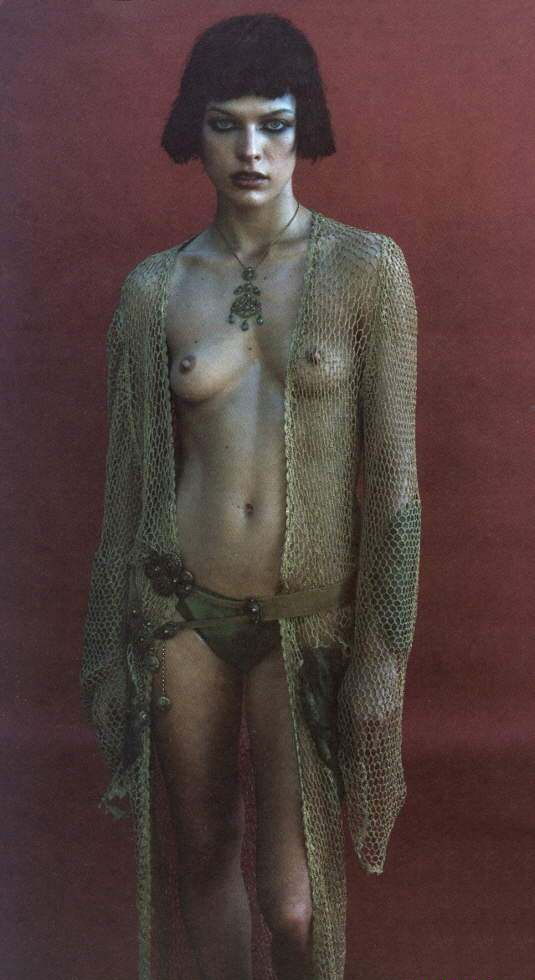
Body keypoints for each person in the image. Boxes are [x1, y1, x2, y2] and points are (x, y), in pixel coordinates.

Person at [81, 13, 422, 980]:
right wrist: (109, 638)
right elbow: (126, 490)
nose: (250, 151)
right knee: (199, 854)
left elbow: (395, 486)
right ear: (193, 131)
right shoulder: (153, 289)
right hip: (180, 612)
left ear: (303, 128)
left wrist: (383, 657)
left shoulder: (366, 270)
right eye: (224, 124)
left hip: (303, 617)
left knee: (292, 902)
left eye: (273, 124)